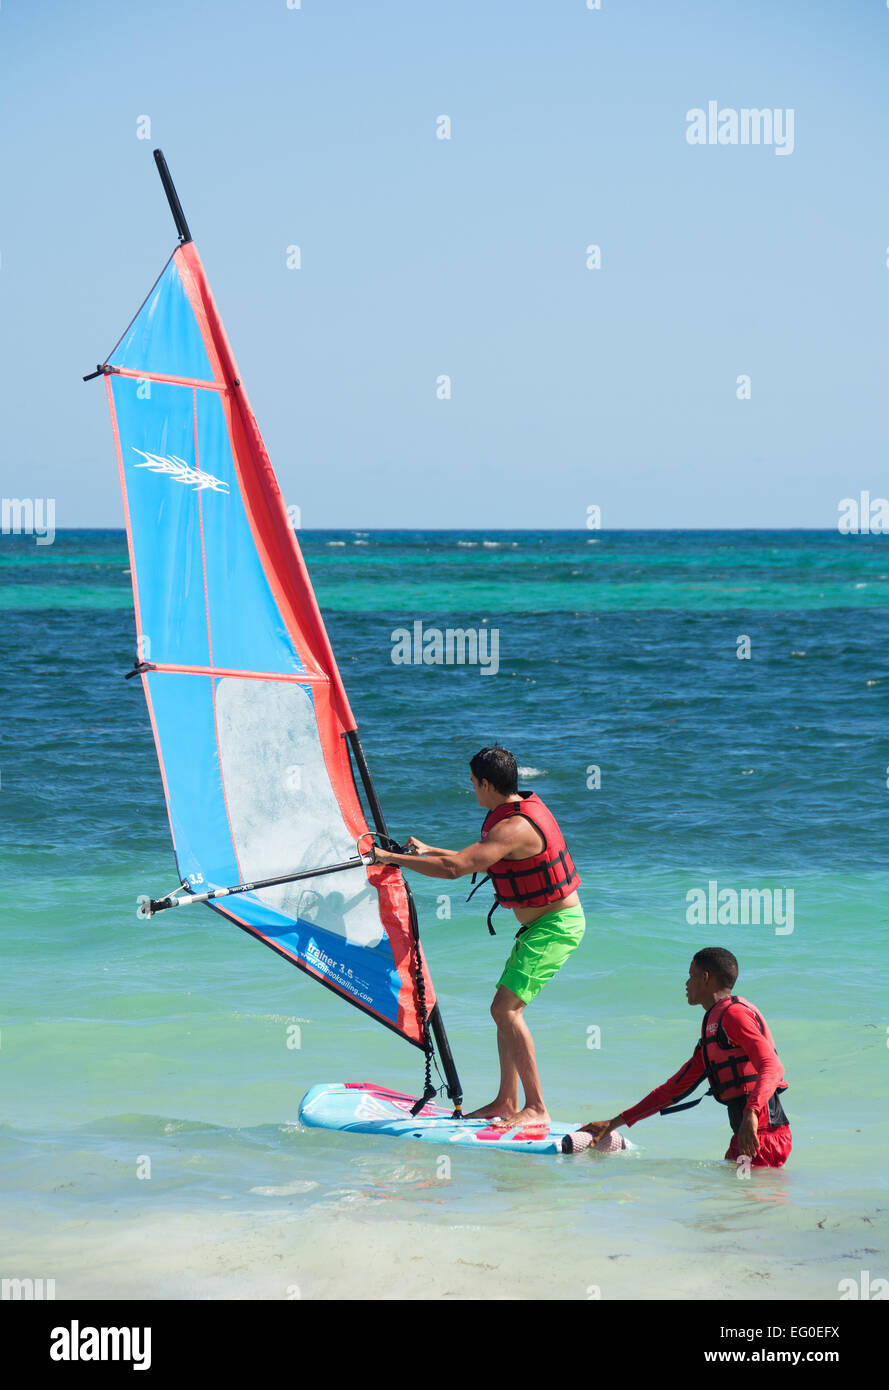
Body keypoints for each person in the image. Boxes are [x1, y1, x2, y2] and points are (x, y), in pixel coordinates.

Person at [372, 745, 584, 1132]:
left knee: (506, 1010)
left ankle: (536, 1108)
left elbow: (456, 869)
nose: (472, 790)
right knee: (503, 1009)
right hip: (540, 926)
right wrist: (429, 850)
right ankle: (506, 1100)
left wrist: (393, 860)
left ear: (486, 783)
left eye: (473, 783)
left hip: (556, 925)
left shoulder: (513, 826)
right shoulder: (517, 814)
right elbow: (476, 858)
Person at [576, 947, 792, 1167]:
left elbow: (772, 1066)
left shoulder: (734, 1014)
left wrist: (751, 1113)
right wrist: (613, 1123)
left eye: (691, 976)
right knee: (737, 1197)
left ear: (705, 978)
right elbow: (671, 1090)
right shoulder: (713, 1026)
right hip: (749, 1135)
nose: (686, 983)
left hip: (762, 1135)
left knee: (747, 1198)